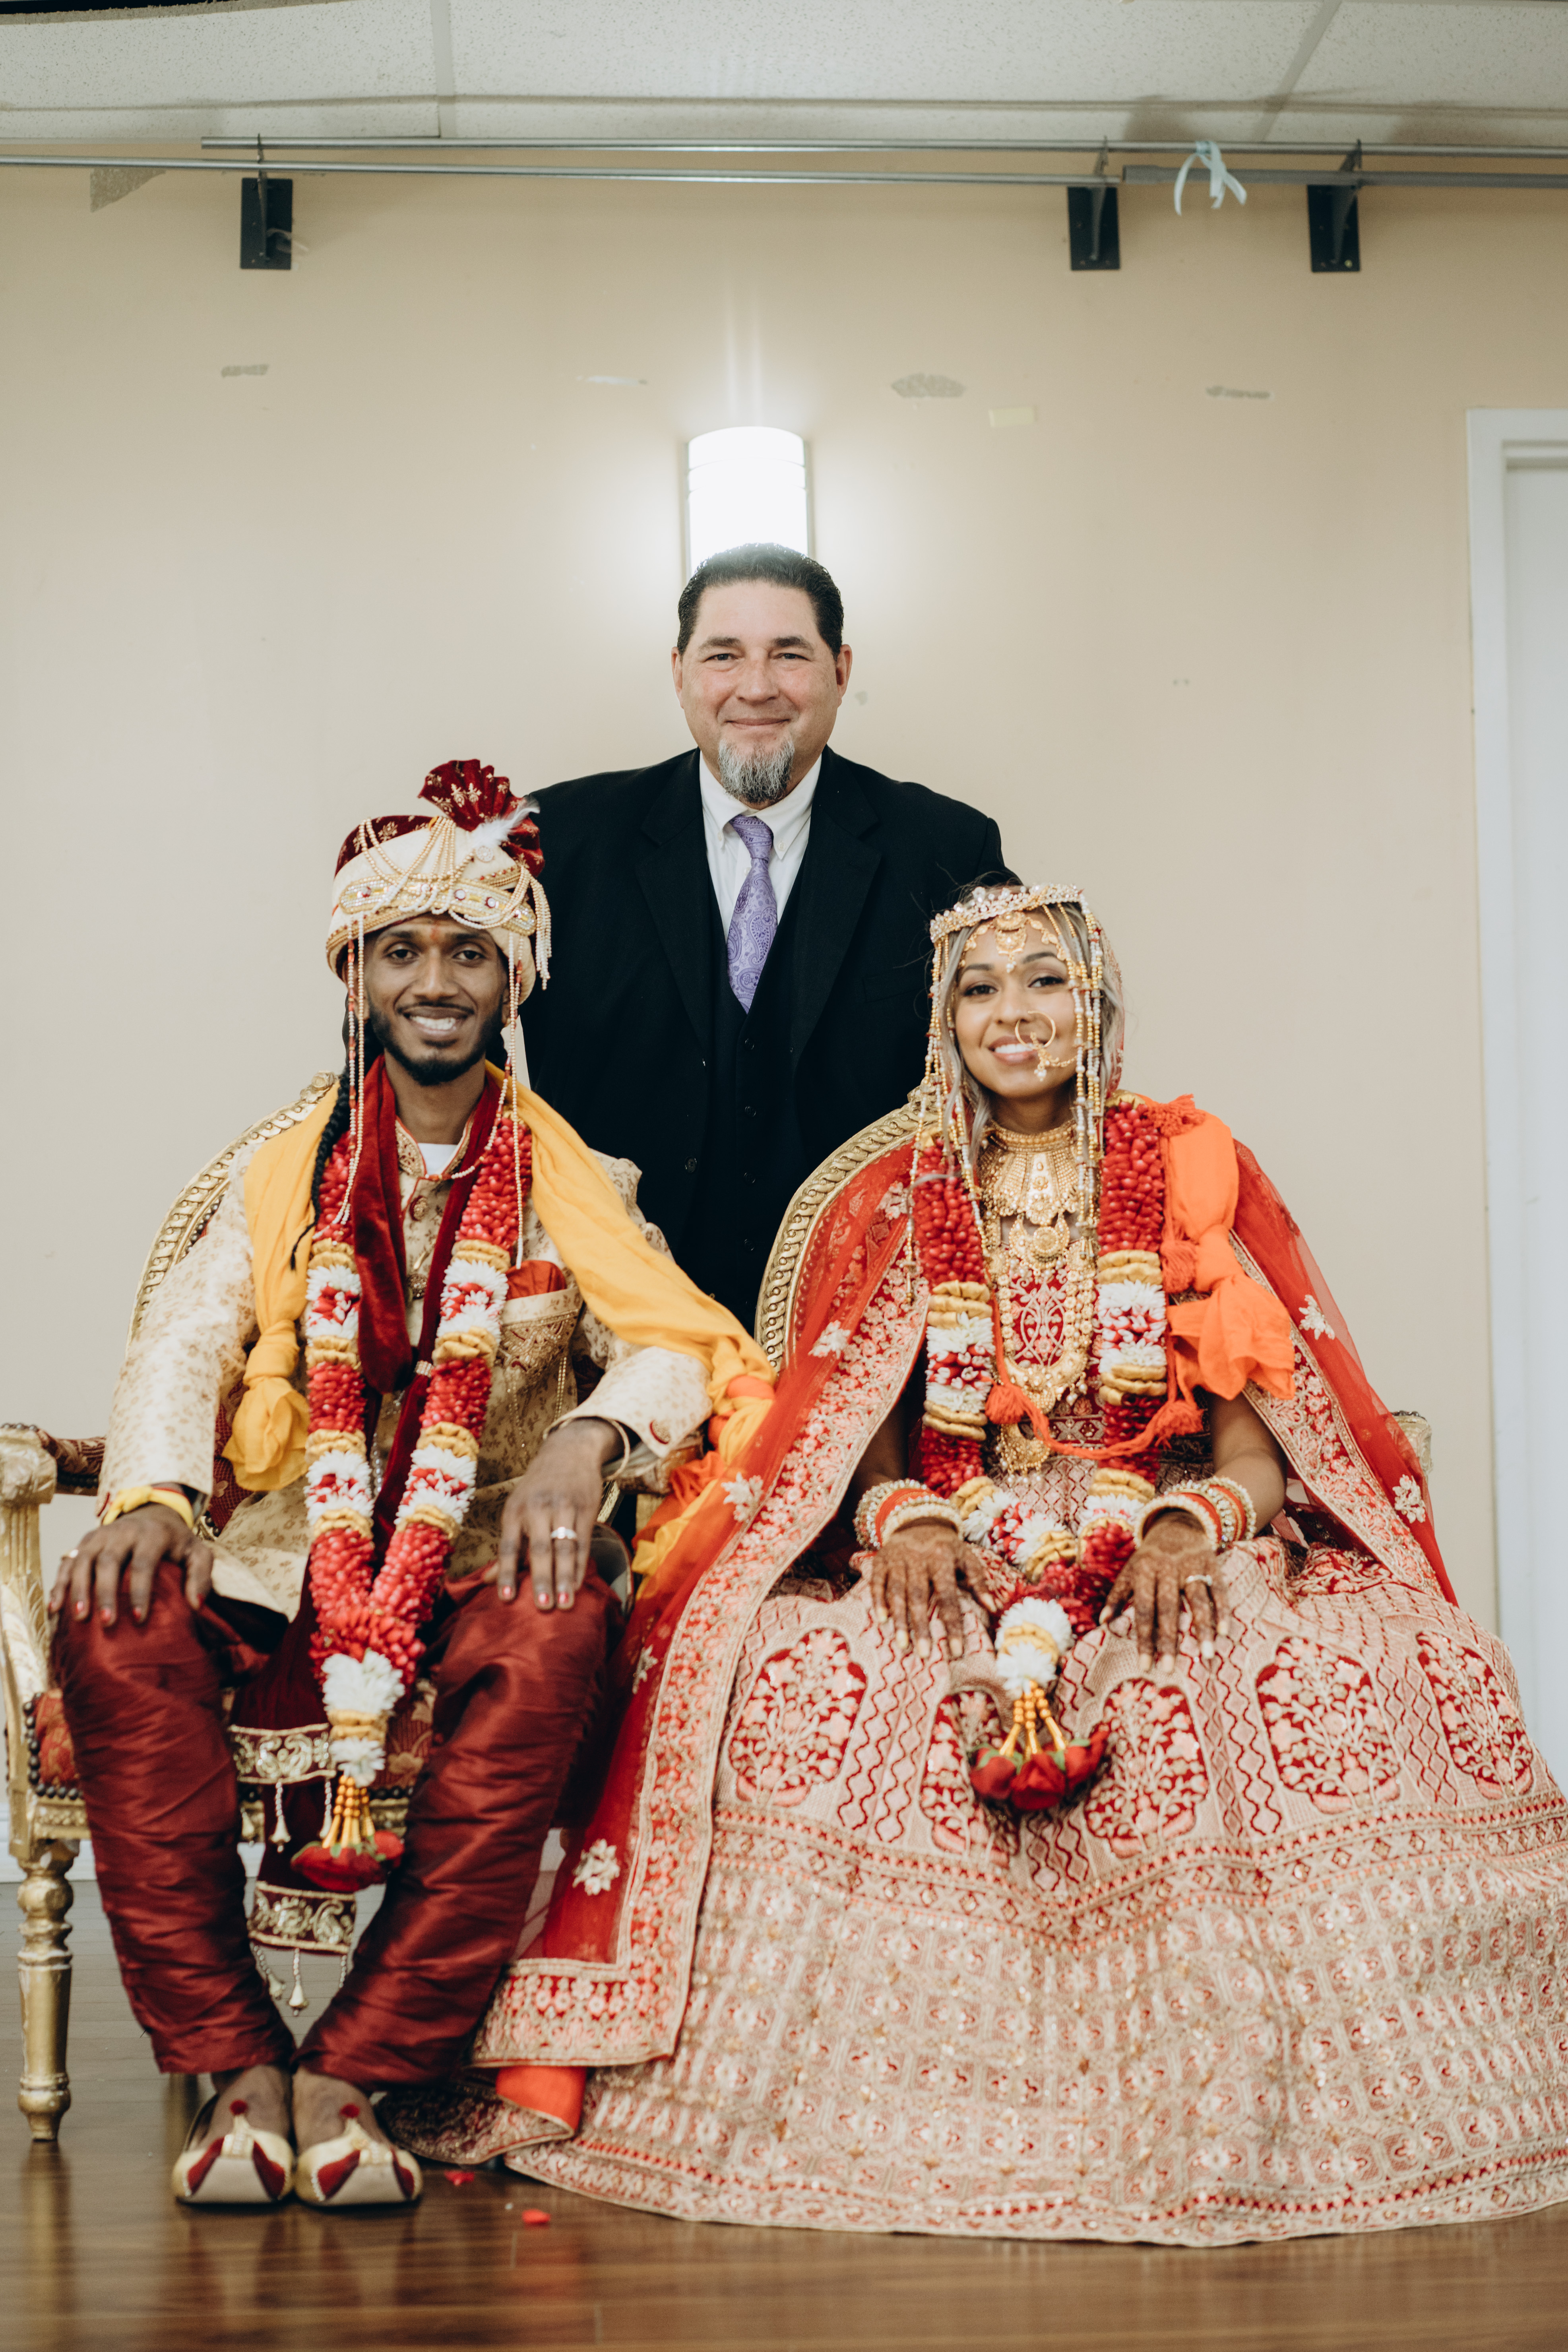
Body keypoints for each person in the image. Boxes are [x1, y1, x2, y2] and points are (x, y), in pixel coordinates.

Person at [388, 882, 1568, 2244]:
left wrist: (1190, 1526)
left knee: (1279, 1661)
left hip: (1163, 1521)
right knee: (808, 1662)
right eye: (979, 987)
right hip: (950, 1527)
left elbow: (1257, 1453)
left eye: (1044, 980)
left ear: (1096, 1005)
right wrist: (909, 1521)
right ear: (942, 1022)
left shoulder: (1189, 1167)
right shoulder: (898, 1191)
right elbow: (853, 1436)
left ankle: (1238, 2078)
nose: (1014, 1013)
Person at [48, 760, 772, 2210]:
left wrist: (585, 1442)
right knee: (118, 1620)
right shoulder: (279, 1173)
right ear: (354, 974)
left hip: (487, 1546)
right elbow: (185, 1340)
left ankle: (360, 2069)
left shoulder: (584, 1179)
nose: (435, 981)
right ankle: (237, 2065)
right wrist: (155, 1497)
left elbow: (677, 1344)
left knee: (558, 1628)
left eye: (467, 952)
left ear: (514, 980)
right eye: (400, 950)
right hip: (283, 1545)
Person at [520, 542, 1011, 1330]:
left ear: (840, 670)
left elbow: (1021, 1061)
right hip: (610, 1320)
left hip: (869, 1324)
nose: (755, 686)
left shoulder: (945, 849)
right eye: (723, 655)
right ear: (679, 672)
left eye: (789, 654)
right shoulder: (555, 842)